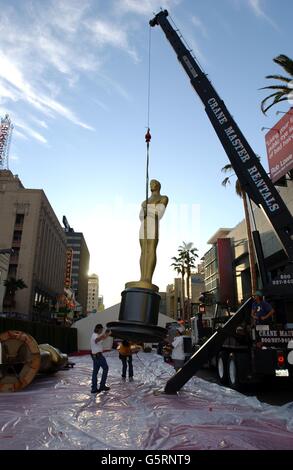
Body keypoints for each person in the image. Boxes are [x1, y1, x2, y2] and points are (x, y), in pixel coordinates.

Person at [139, 179, 169, 284]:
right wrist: (145, 210)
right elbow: (141, 216)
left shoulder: (163, 198)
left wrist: (147, 209)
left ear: (158, 186)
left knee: (151, 249)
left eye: (153, 183)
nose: (151, 185)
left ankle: (148, 278)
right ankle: (142, 277)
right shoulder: (144, 201)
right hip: (144, 226)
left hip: (153, 225)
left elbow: (159, 213)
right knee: (143, 251)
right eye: (150, 183)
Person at [90, 324, 111, 394]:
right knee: (105, 368)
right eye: (101, 330)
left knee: (95, 372)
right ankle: (101, 386)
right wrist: (105, 334)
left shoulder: (96, 335)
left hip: (95, 356)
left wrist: (107, 334)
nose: (102, 331)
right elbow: (97, 340)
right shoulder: (95, 335)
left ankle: (94, 388)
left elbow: (102, 339)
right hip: (98, 356)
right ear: (98, 329)